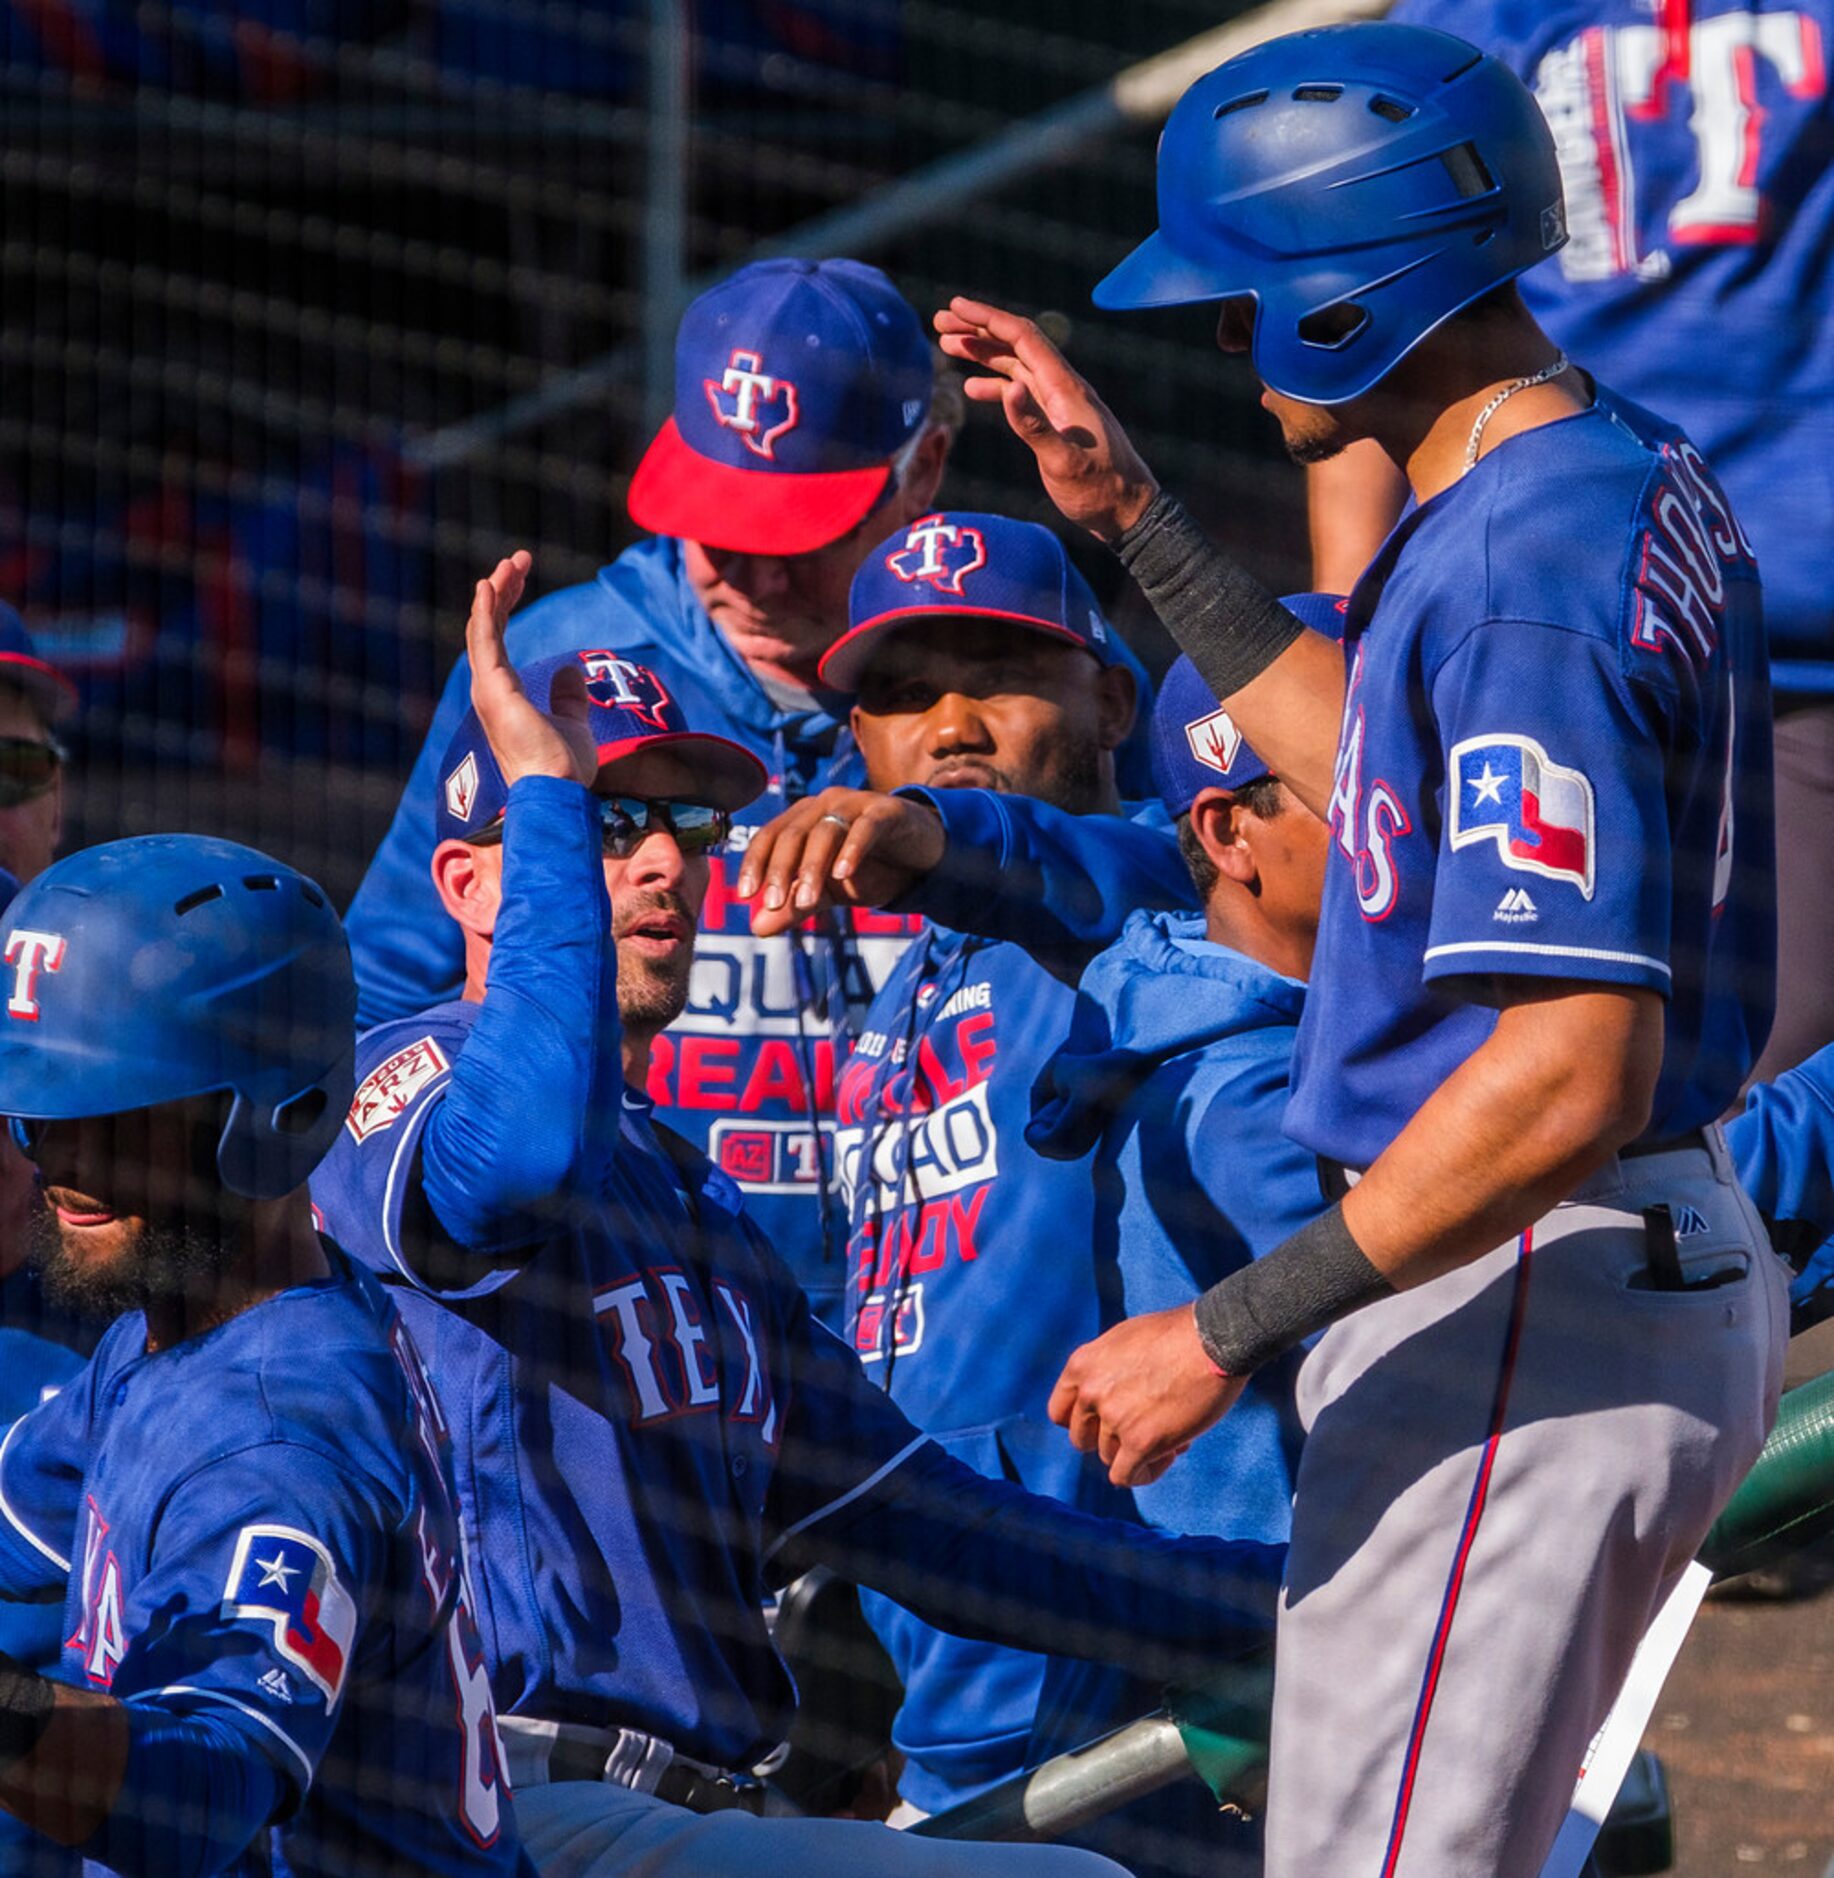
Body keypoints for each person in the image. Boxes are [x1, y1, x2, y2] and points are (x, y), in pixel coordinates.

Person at [933, 20, 1789, 1876]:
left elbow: (1563, 1069)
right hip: (1573, 1276)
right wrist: (1137, 525)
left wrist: (1215, 1333)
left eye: (1246, 306)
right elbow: (1380, 784)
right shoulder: (1570, 470)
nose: (1229, 348)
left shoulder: (1516, 578)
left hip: (1528, 1294)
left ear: (1357, 291)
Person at [310, 553, 1282, 1877]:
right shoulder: (404, 1078)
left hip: (686, 1814)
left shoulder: (690, 1203)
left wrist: (1291, 1593)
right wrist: (541, 789)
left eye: (684, 827)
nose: (661, 861)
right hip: (485, 1802)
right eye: (605, 822)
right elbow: (519, 1155)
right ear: (474, 886)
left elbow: (945, 1530)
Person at [342, 258, 958, 1324]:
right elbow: (386, 984)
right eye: (725, 528)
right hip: (629, 1324)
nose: (757, 577)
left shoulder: (1000, 672)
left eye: (800, 537)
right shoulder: (557, 666)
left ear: (925, 468)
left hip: (941, 1331)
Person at [738, 510, 1185, 1833]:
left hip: (1100, 1632)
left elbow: (1116, 872)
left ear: (1110, 699)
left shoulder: (1163, 909)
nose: (948, 722)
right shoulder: (900, 997)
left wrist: (937, 840)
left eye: (996, 672)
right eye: (897, 693)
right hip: (935, 1639)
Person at [1310, 0, 1834, 1086]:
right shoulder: (1469, 20)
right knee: (1706, 1097)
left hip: (1727, 610)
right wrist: (1350, 655)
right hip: (1575, 628)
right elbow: (1375, 328)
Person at [0, 833, 532, 1876]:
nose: (64, 1164)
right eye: (41, 1115)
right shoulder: (177, 1325)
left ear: (277, 1115)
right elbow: (19, 1529)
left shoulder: (279, 1442)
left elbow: (202, 1799)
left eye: (117, 1116)